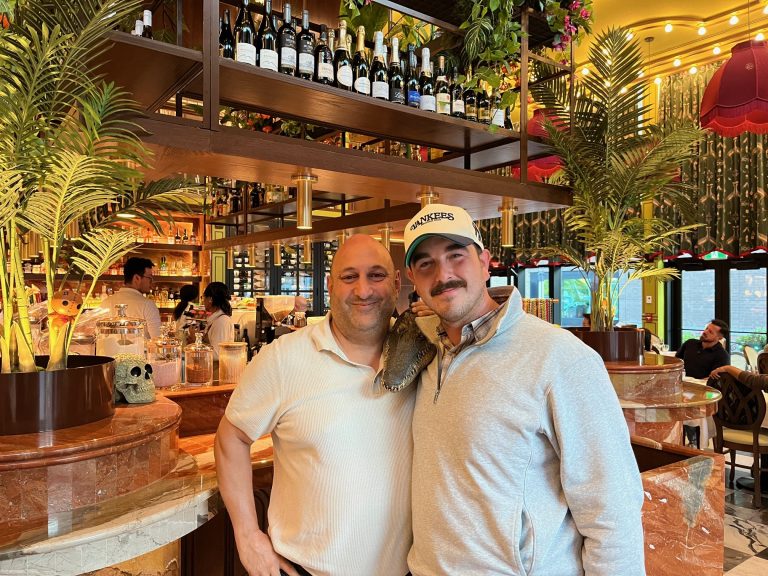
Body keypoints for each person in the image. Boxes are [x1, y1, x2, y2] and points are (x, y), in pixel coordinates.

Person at [401, 203, 645, 575]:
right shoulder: (423, 352)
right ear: (412, 279)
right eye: (425, 264)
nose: (443, 274)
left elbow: (612, 509)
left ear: (485, 263)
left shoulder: (561, 357)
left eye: (456, 255)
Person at [214, 235, 414, 576]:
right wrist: (247, 535)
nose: (363, 290)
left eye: (376, 275)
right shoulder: (283, 358)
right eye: (349, 277)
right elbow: (231, 437)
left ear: (396, 283)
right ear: (330, 285)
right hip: (305, 569)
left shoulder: (422, 351)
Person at [101, 256, 161, 338]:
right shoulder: (148, 304)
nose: (152, 282)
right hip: (140, 347)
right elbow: (157, 338)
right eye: (149, 278)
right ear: (137, 278)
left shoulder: (105, 303)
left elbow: (101, 337)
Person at [201, 282, 235, 360]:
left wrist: (195, 341)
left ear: (210, 299)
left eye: (204, 297)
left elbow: (217, 354)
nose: (203, 301)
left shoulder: (222, 321)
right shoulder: (216, 319)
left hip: (217, 367)